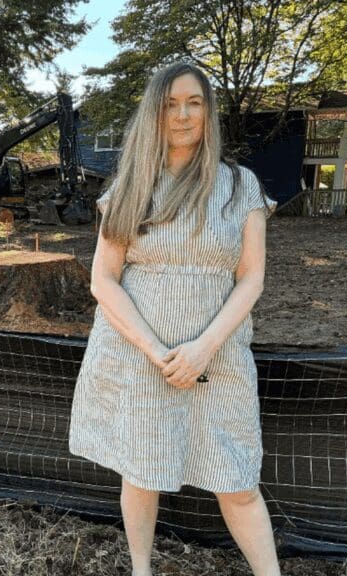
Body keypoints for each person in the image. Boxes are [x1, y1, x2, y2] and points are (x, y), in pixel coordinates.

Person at [68, 62, 281, 576]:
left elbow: (251, 278)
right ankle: (141, 569)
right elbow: (103, 280)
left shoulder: (239, 186)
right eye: (170, 104)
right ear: (154, 113)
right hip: (140, 357)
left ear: (208, 112)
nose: (183, 115)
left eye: (195, 103)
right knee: (140, 473)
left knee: (238, 482)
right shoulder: (131, 187)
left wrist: (204, 347)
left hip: (219, 358)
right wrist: (155, 351)